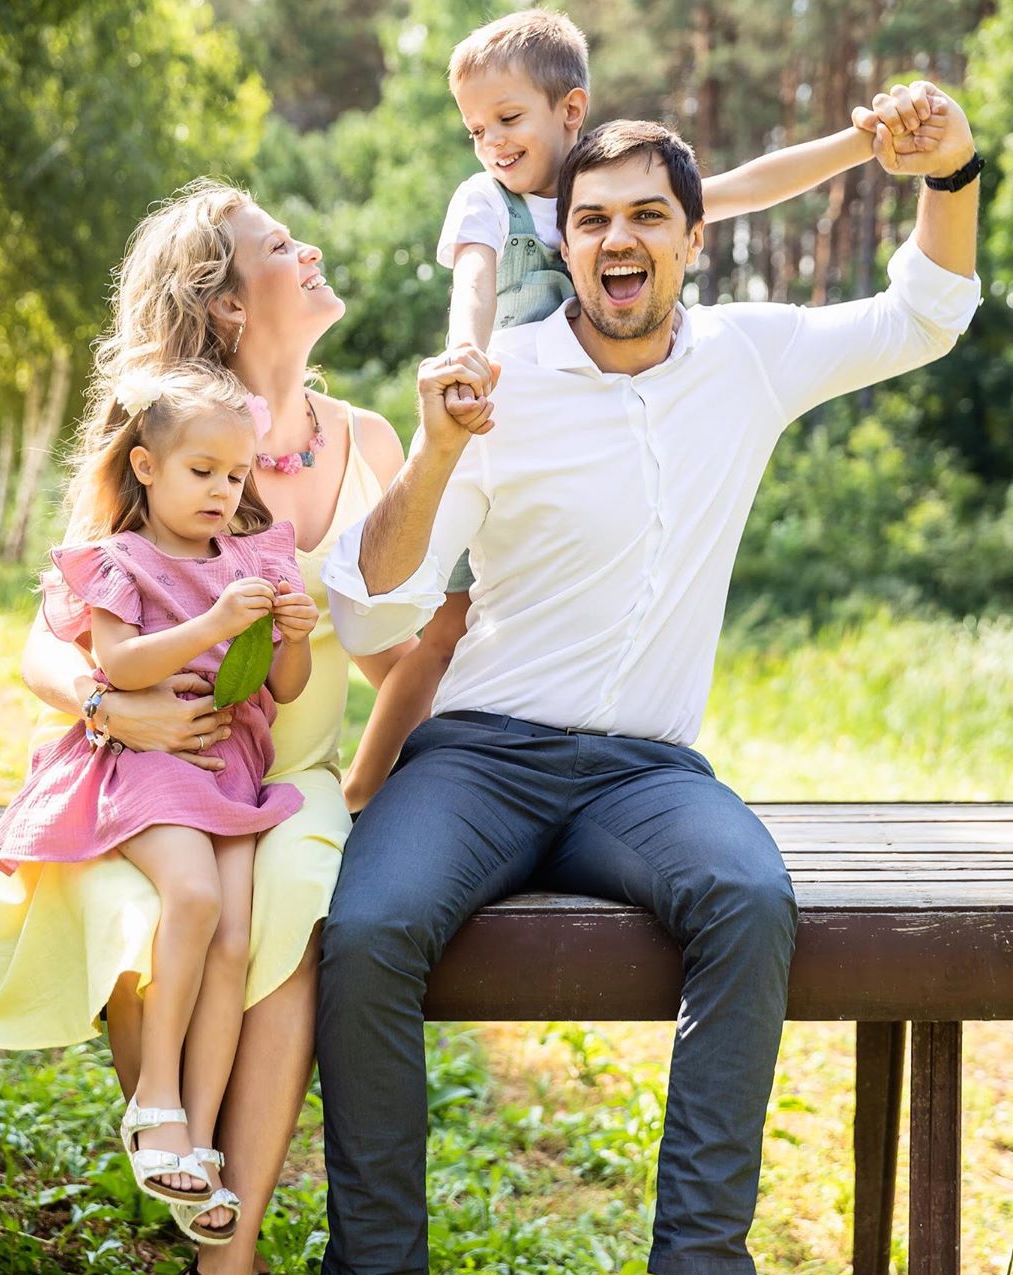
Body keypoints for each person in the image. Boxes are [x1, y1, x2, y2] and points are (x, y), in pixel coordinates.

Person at [318, 85, 981, 1275]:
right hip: (481, 759)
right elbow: (370, 605)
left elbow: (927, 314)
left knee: (749, 896)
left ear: (690, 234)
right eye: (592, 220)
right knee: (369, 926)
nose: (618, 240)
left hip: (648, 776)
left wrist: (951, 177)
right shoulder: (497, 382)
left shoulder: (749, 356)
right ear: (560, 241)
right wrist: (437, 452)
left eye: (647, 217)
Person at [0, 180, 413, 1275]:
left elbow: (404, 651)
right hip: (144, 758)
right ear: (225, 301)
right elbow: (55, 641)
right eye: (275, 245)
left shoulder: (370, 441)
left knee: (292, 921)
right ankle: (198, 1213)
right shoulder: (162, 429)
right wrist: (111, 709)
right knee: (166, 911)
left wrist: (389, 781)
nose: (307, 250)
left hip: (281, 777)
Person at [338, 7, 946, 814]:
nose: (491, 143)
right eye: (475, 128)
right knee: (443, 634)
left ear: (572, 111)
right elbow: (474, 281)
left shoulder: (626, 191)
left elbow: (755, 184)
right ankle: (365, 794)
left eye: (508, 119)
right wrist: (467, 358)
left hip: (589, 452)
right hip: (497, 430)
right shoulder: (487, 200)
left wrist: (860, 143)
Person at [0, 363, 318, 1247]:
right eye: (201, 471)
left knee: (238, 942)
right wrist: (215, 625)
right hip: (156, 759)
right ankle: (157, 1101)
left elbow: (283, 688)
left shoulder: (256, 558)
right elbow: (121, 667)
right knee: (196, 899)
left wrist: (289, 636)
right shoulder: (119, 560)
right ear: (145, 467)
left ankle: (196, 1136)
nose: (224, 490)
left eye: (237, 474)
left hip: (232, 768)